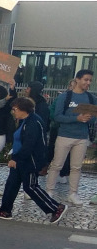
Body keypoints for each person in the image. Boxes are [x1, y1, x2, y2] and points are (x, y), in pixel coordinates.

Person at [0, 98, 67, 223]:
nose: (13, 112)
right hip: (20, 158)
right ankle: (5, 210)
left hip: (30, 160)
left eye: (15, 109)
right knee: (11, 185)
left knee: (31, 187)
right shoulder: (24, 121)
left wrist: (16, 159)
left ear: (22, 109)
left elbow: (29, 145)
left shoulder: (33, 122)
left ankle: (56, 208)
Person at [46, 69, 95, 206]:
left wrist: (88, 118)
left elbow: (93, 119)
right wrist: (77, 118)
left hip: (81, 137)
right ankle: (49, 190)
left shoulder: (91, 98)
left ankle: (73, 193)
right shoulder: (65, 97)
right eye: (86, 79)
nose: (88, 82)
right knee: (57, 164)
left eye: (90, 80)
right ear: (77, 79)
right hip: (64, 135)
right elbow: (57, 116)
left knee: (76, 167)